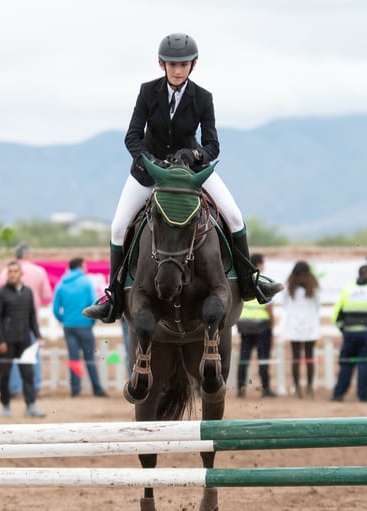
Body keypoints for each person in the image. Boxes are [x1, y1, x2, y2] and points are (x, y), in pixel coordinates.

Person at [84, 32, 283, 323]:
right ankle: (114, 297)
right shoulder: (147, 91)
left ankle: (250, 282)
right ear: (161, 64)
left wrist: (197, 155)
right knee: (117, 228)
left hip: (190, 175)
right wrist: (149, 161)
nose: (177, 70)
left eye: (183, 65)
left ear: (193, 65)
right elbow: (132, 137)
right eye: (172, 65)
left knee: (235, 216)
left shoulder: (203, 98)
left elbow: (213, 144)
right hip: (149, 174)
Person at [0, 242, 52, 395]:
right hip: (31, 322)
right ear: (28, 254)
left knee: (12, 358)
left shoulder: (5, 272)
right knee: (32, 355)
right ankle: (34, 388)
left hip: (10, 324)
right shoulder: (39, 271)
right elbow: (47, 296)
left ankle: (14, 388)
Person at [0, 261, 46, 417]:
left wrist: (37, 336)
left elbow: (32, 318)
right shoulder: (0, 294)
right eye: (10, 271)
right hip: (7, 341)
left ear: (21, 274)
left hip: (25, 341)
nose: (12, 274)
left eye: (15, 271)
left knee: (28, 374)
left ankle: (30, 406)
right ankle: (6, 406)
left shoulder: (28, 292)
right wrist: (0, 340)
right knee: (5, 374)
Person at [52, 257, 108, 397]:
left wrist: (64, 319)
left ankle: (75, 389)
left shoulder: (61, 284)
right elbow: (93, 304)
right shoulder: (86, 282)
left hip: (69, 326)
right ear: (80, 267)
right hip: (85, 326)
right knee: (89, 358)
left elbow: (55, 309)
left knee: (74, 358)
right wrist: (91, 321)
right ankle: (96, 388)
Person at [236, 254, 277, 398]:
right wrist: (272, 323)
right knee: (263, 358)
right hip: (262, 327)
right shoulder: (263, 281)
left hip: (245, 326)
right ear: (259, 264)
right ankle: (265, 388)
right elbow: (268, 306)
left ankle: (240, 389)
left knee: (244, 358)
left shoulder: (242, 281)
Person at [282, 261, 321, 398]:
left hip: (294, 326)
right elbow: (318, 307)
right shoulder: (313, 288)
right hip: (310, 326)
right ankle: (310, 388)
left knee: (295, 358)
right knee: (309, 358)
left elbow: (285, 305)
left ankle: (297, 388)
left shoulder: (289, 288)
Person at [330, 264, 367, 402]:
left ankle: (338, 394)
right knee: (364, 364)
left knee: (346, 363)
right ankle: (363, 396)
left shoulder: (348, 289)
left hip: (349, 333)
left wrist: (344, 330)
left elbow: (335, 315)